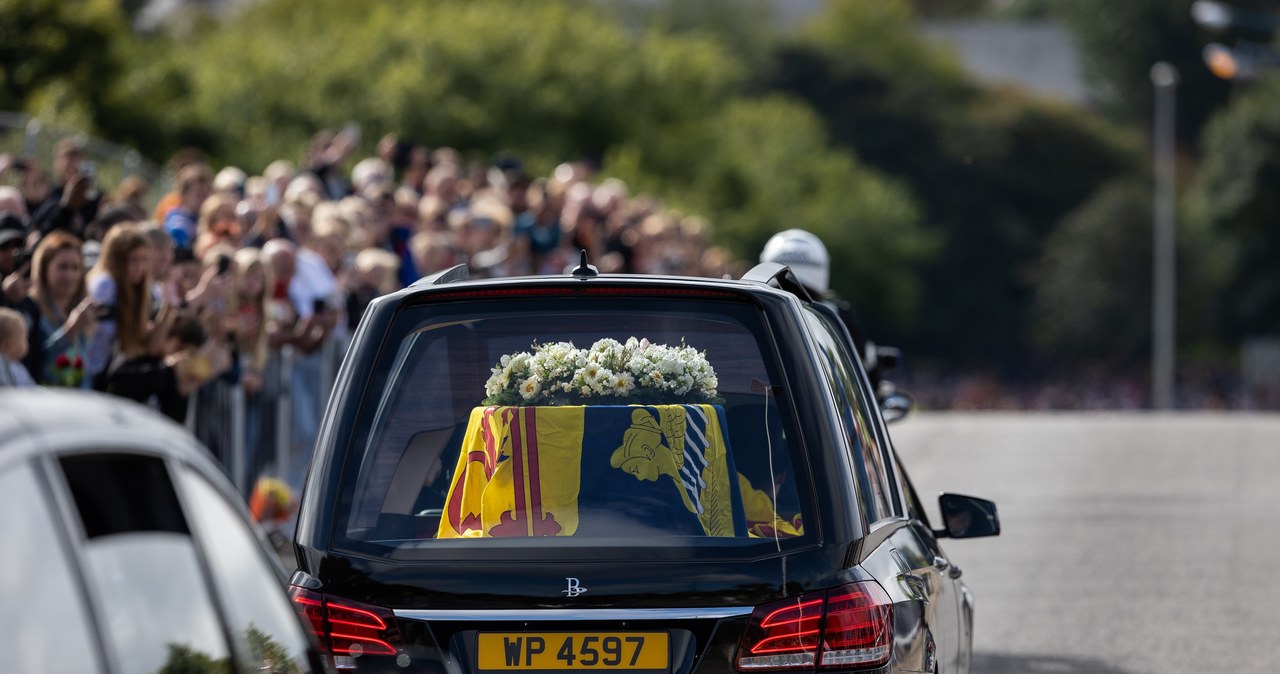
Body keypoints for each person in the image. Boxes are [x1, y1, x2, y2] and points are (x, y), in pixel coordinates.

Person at [759, 229, 900, 397]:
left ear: (766, 261)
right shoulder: (835, 315)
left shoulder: (751, 306)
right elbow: (867, 366)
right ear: (822, 266)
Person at [0, 307, 36, 387]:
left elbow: (32, 387)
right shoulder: (2, 366)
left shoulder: (17, 366)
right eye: (24, 338)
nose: (27, 342)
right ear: (9, 345)